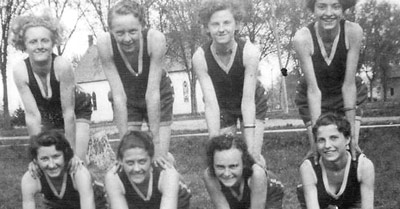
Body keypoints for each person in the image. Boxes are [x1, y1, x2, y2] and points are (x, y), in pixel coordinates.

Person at [97, 0, 174, 164]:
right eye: (119, 33)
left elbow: (152, 94)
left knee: (160, 159)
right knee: (131, 157)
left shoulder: (155, 39)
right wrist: (124, 146)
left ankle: (173, 180)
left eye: (133, 31)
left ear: (142, 26)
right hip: (127, 97)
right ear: (110, 30)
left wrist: (157, 142)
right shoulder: (104, 44)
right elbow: (118, 96)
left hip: (158, 93)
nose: (127, 39)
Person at [10, 10, 93, 163]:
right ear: (24, 44)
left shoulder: (62, 66)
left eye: (45, 41)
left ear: (53, 42)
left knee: (76, 161)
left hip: (77, 109)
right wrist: (36, 156)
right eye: (33, 42)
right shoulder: (20, 71)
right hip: (49, 113)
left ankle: (86, 177)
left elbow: (68, 113)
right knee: (50, 159)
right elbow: (33, 117)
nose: (39, 46)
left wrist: (71, 153)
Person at [193, 0, 268, 165]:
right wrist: (214, 144)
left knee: (253, 158)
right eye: (215, 24)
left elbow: (248, 102)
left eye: (227, 22)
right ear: (206, 27)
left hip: (252, 102)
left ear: (237, 24)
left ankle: (263, 186)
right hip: (222, 105)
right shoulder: (200, 57)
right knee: (224, 158)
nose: (221, 29)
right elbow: (211, 105)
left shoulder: (249, 52)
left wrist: (250, 149)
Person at [293, 0, 367, 161]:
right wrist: (317, 136)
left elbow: (349, 85)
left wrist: (352, 135)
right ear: (313, 9)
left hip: (345, 93)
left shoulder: (353, 31)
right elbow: (313, 91)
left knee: (349, 149)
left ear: (343, 8)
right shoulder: (302, 38)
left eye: (335, 6)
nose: (328, 13)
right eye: (322, 6)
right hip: (314, 95)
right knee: (320, 150)